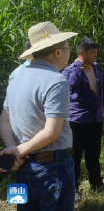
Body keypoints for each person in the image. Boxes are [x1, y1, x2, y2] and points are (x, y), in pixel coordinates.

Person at [0, 21, 77, 211]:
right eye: (68, 47)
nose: (70, 52)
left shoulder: (16, 78)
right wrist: (18, 151)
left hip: (21, 169)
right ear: (57, 52)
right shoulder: (57, 81)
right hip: (54, 169)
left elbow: (4, 119)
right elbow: (51, 132)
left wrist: (14, 149)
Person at [62, 38, 104, 196]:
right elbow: (71, 83)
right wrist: (78, 65)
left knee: (93, 153)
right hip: (77, 120)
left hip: (95, 119)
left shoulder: (96, 67)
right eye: (92, 53)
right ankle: (74, 188)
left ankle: (96, 183)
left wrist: (103, 103)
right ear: (81, 53)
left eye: (96, 53)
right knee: (75, 155)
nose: (95, 56)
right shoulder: (70, 70)